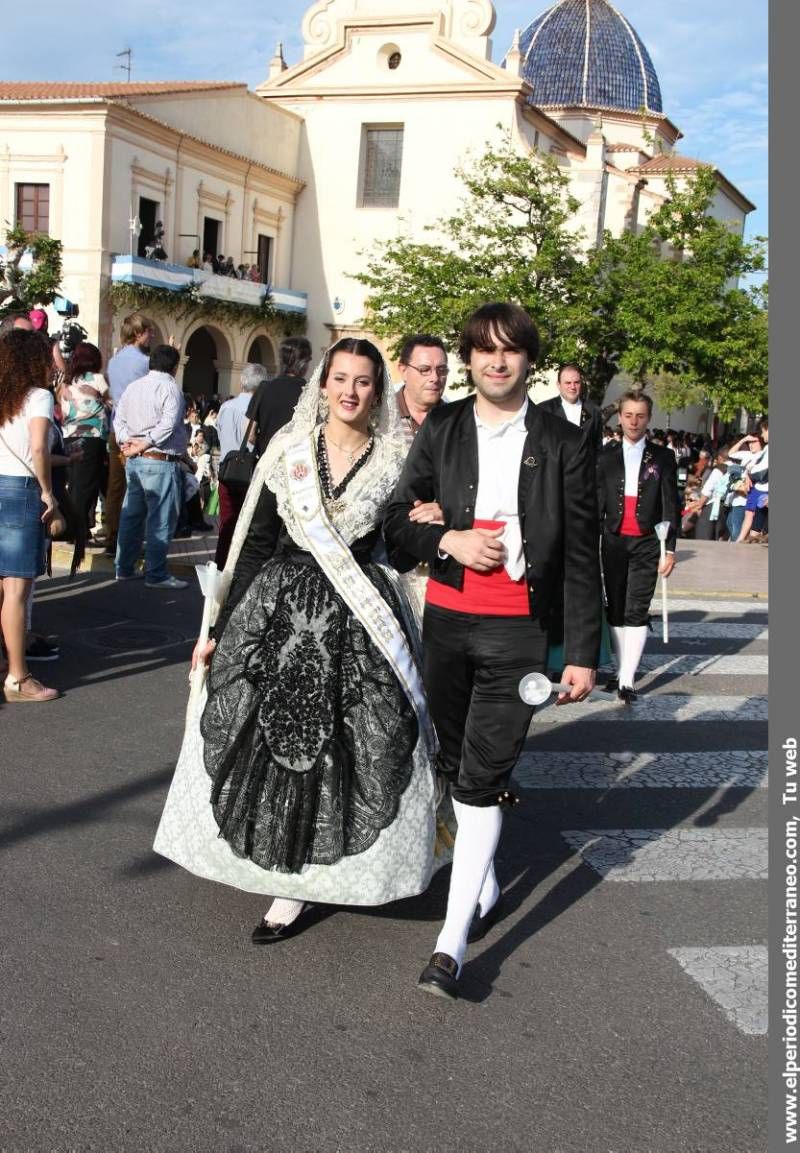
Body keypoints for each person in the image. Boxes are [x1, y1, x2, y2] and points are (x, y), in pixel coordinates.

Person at [154, 337, 447, 941]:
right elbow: (254, 542)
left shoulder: (397, 458)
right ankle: (289, 883)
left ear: (377, 391)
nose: (350, 391)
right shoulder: (287, 450)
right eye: (340, 378)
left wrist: (434, 525)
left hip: (361, 618)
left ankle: (353, 868)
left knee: (358, 739)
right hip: (280, 616)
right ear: (322, 381)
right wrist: (220, 628)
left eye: (363, 381)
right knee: (283, 740)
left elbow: (399, 543)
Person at [384, 302, 601, 999]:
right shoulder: (443, 427)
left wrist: (581, 651)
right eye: (483, 351)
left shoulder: (562, 441)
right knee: (451, 765)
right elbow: (396, 521)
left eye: (510, 351)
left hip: (519, 631)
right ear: (468, 358)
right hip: (446, 621)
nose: (496, 362)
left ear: (530, 361)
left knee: (483, 775)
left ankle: (449, 946)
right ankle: (487, 872)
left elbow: (578, 551)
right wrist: (446, 537)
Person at [596, 392, 679, 703]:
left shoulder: (662, 457)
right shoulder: (605, 456)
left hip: (648, 540)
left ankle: (628, 680)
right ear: (620, 417)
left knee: (637, 608)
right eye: (628, 415)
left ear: (648, 418)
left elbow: (672, 505)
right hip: (614, 539)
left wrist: (669, 549)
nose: (633, 421)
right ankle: (619, 671)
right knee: (615, 607)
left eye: (640, 415)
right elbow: (596, 502)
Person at [0, 329, 59, 702]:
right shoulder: (38, 396)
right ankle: (18, 677)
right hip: (21, 490)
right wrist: (48, 492)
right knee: (17, 590)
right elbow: (38, 445)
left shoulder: (4, 398)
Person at [113, 344, 188, 590]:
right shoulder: (171, 389)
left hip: (135, 460)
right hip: (159, 460)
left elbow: (118, 419)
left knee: (131, 516)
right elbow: (168, 425)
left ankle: (124, 567)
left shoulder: (133, 387)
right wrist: (143, 443)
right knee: (161, 519)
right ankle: (156, 574)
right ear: (175, 367)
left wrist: (128, 443)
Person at [105, 314, 155, 558]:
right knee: (139, 487)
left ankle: (113, 536)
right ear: (138, 333)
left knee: (116, 487)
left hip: (117, 427)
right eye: (149, 332)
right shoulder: (144, 363)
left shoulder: (113, 362)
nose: (151, 336)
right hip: (138, 431)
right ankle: (133, 540)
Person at [214, 363, 268, 567]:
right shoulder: (257, 409)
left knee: (226, 523)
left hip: (226, 471)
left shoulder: (226, 407)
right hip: (249, 473)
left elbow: (220, 435)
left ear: (242, 382)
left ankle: (221, 565)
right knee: (247, 526)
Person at [59, 341, 111, 545]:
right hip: (91, 436)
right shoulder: (98, 379)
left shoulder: (67, 381)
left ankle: (73, 527)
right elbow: (111, 403)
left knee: (74, 483)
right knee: (86, 484)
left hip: (70, 435)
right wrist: (100, 398)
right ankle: (77, 531)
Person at [247, 336, 313, 458]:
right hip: (297, 465)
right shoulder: (310, 393)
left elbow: (249, 433)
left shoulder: (264, 388)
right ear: (304, 363)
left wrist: (265, 446)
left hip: (266, 461)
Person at [536, 362, 604, 455]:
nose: (572, 387)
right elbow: (537, 446)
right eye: (568, 383)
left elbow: (598, 448)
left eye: (576, 382)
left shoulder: (593, 411)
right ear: (558, 385)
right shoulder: (544, 410)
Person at [395, 334, 448, 447]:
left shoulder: (457, 421)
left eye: (441, 370)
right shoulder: (378, 418)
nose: (435, 378)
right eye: (424, 370)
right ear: (404, 371)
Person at [735, 419, 768, 543]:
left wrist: (750, 474)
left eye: (763, 432)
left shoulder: (766, 451)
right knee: (755, 522)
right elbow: (732, 453)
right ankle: (744, 541)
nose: (763, 435)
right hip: (759, 488)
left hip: (763, 490)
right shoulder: (765, 450)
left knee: (756, 519)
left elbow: (761, 470)